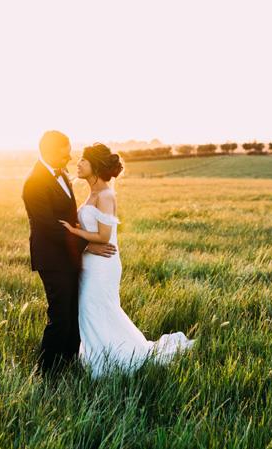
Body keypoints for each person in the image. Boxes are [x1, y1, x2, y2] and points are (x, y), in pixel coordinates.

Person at [60, 142, 195, 378]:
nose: (78, 163)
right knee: (89, 310)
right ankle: (99, 359)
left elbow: (103, 236)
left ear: (96, 165)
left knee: (96, 308)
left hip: (103, 264)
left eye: (84, 160)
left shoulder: (106, 195)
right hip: (90, 262)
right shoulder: (92, 193)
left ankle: (120, 360)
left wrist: (74, 232)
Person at [22, 131, 117, 377]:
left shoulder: (62, 173)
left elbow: (71, 220)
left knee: (75, 312)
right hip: (53, 260)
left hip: (70, 257)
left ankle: (70, 362)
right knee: (60, 315)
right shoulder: (34, 182)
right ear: (51, 151)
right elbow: (50, 227)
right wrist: (88, 246)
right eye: (65, 150)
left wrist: (84, 246)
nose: (70, 155)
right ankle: (46, 373)